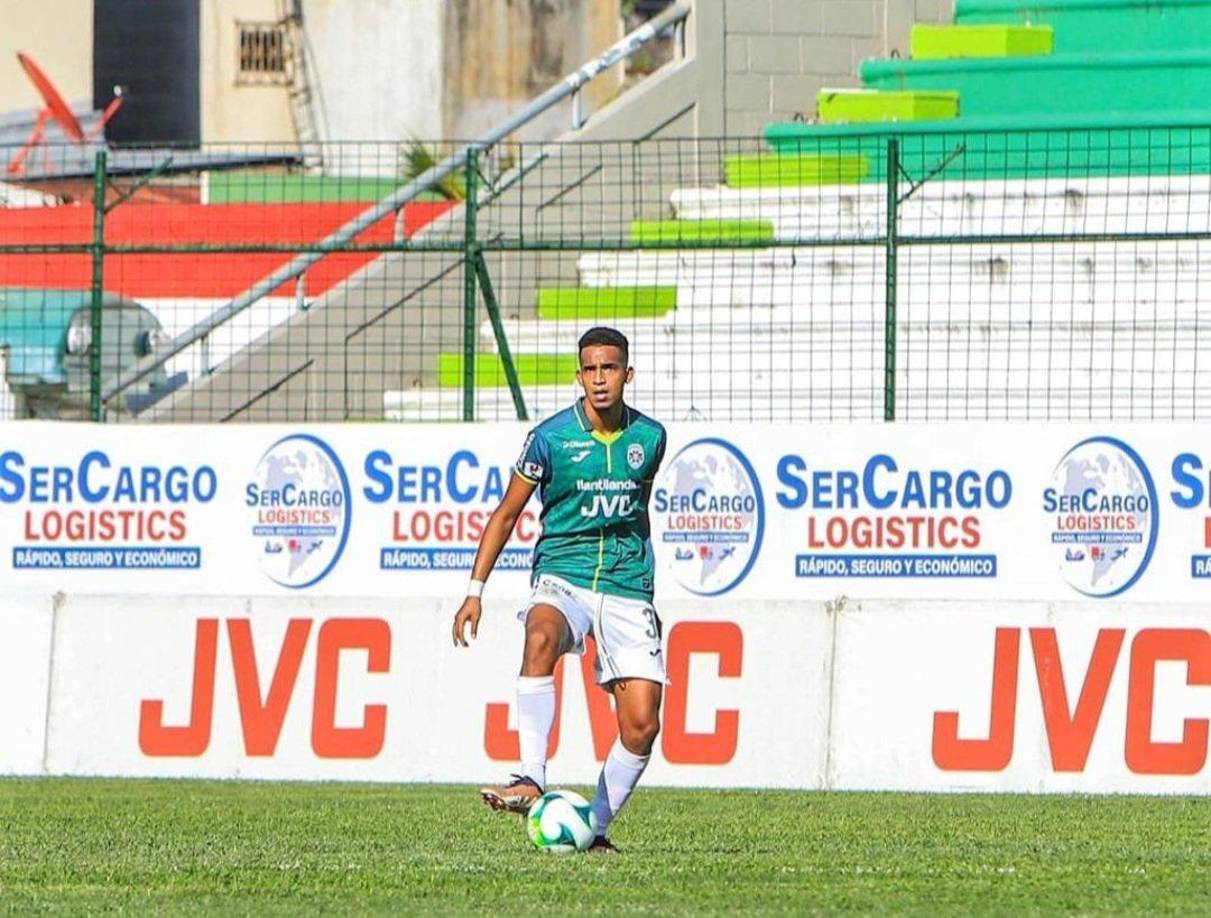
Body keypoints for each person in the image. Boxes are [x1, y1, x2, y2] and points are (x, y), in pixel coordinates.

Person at [452, 326, 667, 853]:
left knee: (642, 726)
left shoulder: (651, 438)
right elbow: (507, 514)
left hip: (626, 584)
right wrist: (475, 590)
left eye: (609, 368)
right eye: (590, 369)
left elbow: (636, 512)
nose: (600, 379)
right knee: (541, 634)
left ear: (628, 374)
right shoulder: (549, 439)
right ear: (579, 375)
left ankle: (594, 829)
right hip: (562, 573)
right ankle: (531, 775)